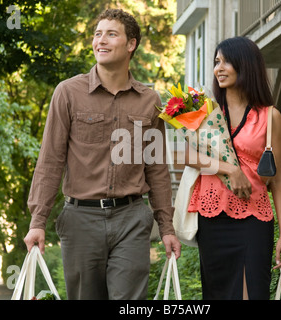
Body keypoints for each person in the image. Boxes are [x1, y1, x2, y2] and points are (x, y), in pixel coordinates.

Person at [24, 8, 181, 300]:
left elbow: (156, 168)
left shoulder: (150, 101)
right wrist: (38, 222)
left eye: (111, 34)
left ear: (131, 44)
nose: (101, 41)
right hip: (81, 219)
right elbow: (50, 161)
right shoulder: (68, 93)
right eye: (97, 34)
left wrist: (166, 227)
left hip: (131, 218)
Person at [185, 36, 281, 300]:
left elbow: (277, 180)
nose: (218, 68)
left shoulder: (270, 116)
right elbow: (186, 155)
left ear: (246, 65)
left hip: (254, 217)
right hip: (212, 218)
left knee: (251, 294)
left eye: (226, 61)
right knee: (217, 293)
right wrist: (229, 170)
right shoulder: (204, 112)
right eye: (216, 62)